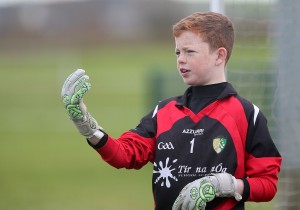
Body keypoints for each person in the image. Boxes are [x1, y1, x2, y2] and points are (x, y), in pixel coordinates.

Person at [61, 12, 282, 210]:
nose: (181, 59)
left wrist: (223, 184)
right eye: (178, 52)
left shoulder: (246, 114)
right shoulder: (163, 112)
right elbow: (123, 155)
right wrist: (87, 126)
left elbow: (267, 184)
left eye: (189, 51)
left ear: (219, 56)